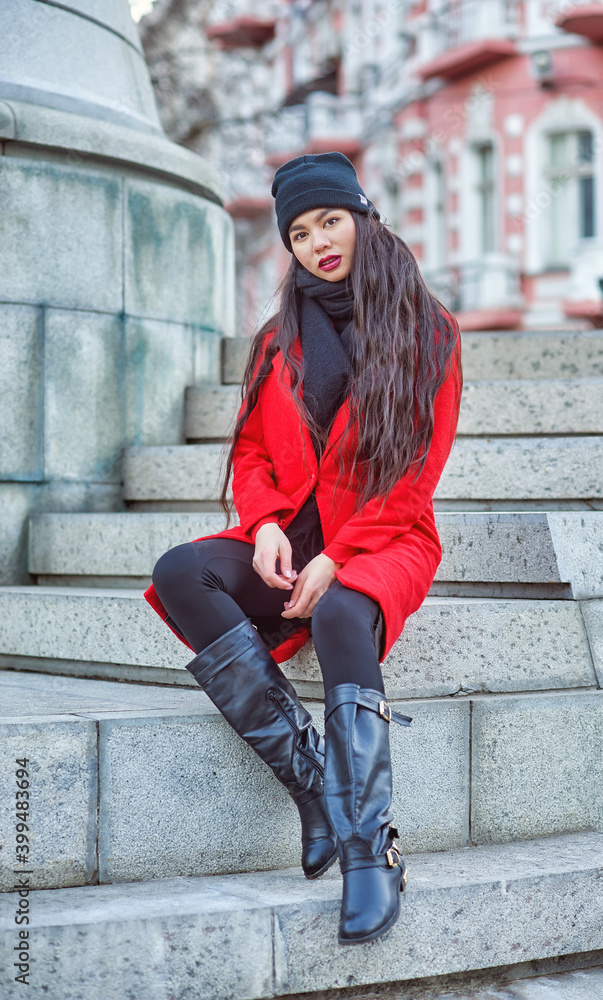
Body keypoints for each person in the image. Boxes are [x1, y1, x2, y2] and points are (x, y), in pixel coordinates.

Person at [145, 150, 463, 946]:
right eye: (299, 231)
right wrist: (264, 527)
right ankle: (315, 788)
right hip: (293, 532)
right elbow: (252, 451)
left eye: (329, 220)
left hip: (386, 532)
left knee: (341, 615)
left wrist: (340, 556)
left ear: (361, 218)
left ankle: (368, 849)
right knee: (181, 570)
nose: (318, 241)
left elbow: (414, 474)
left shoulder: (428, 331)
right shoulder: (275, 338)